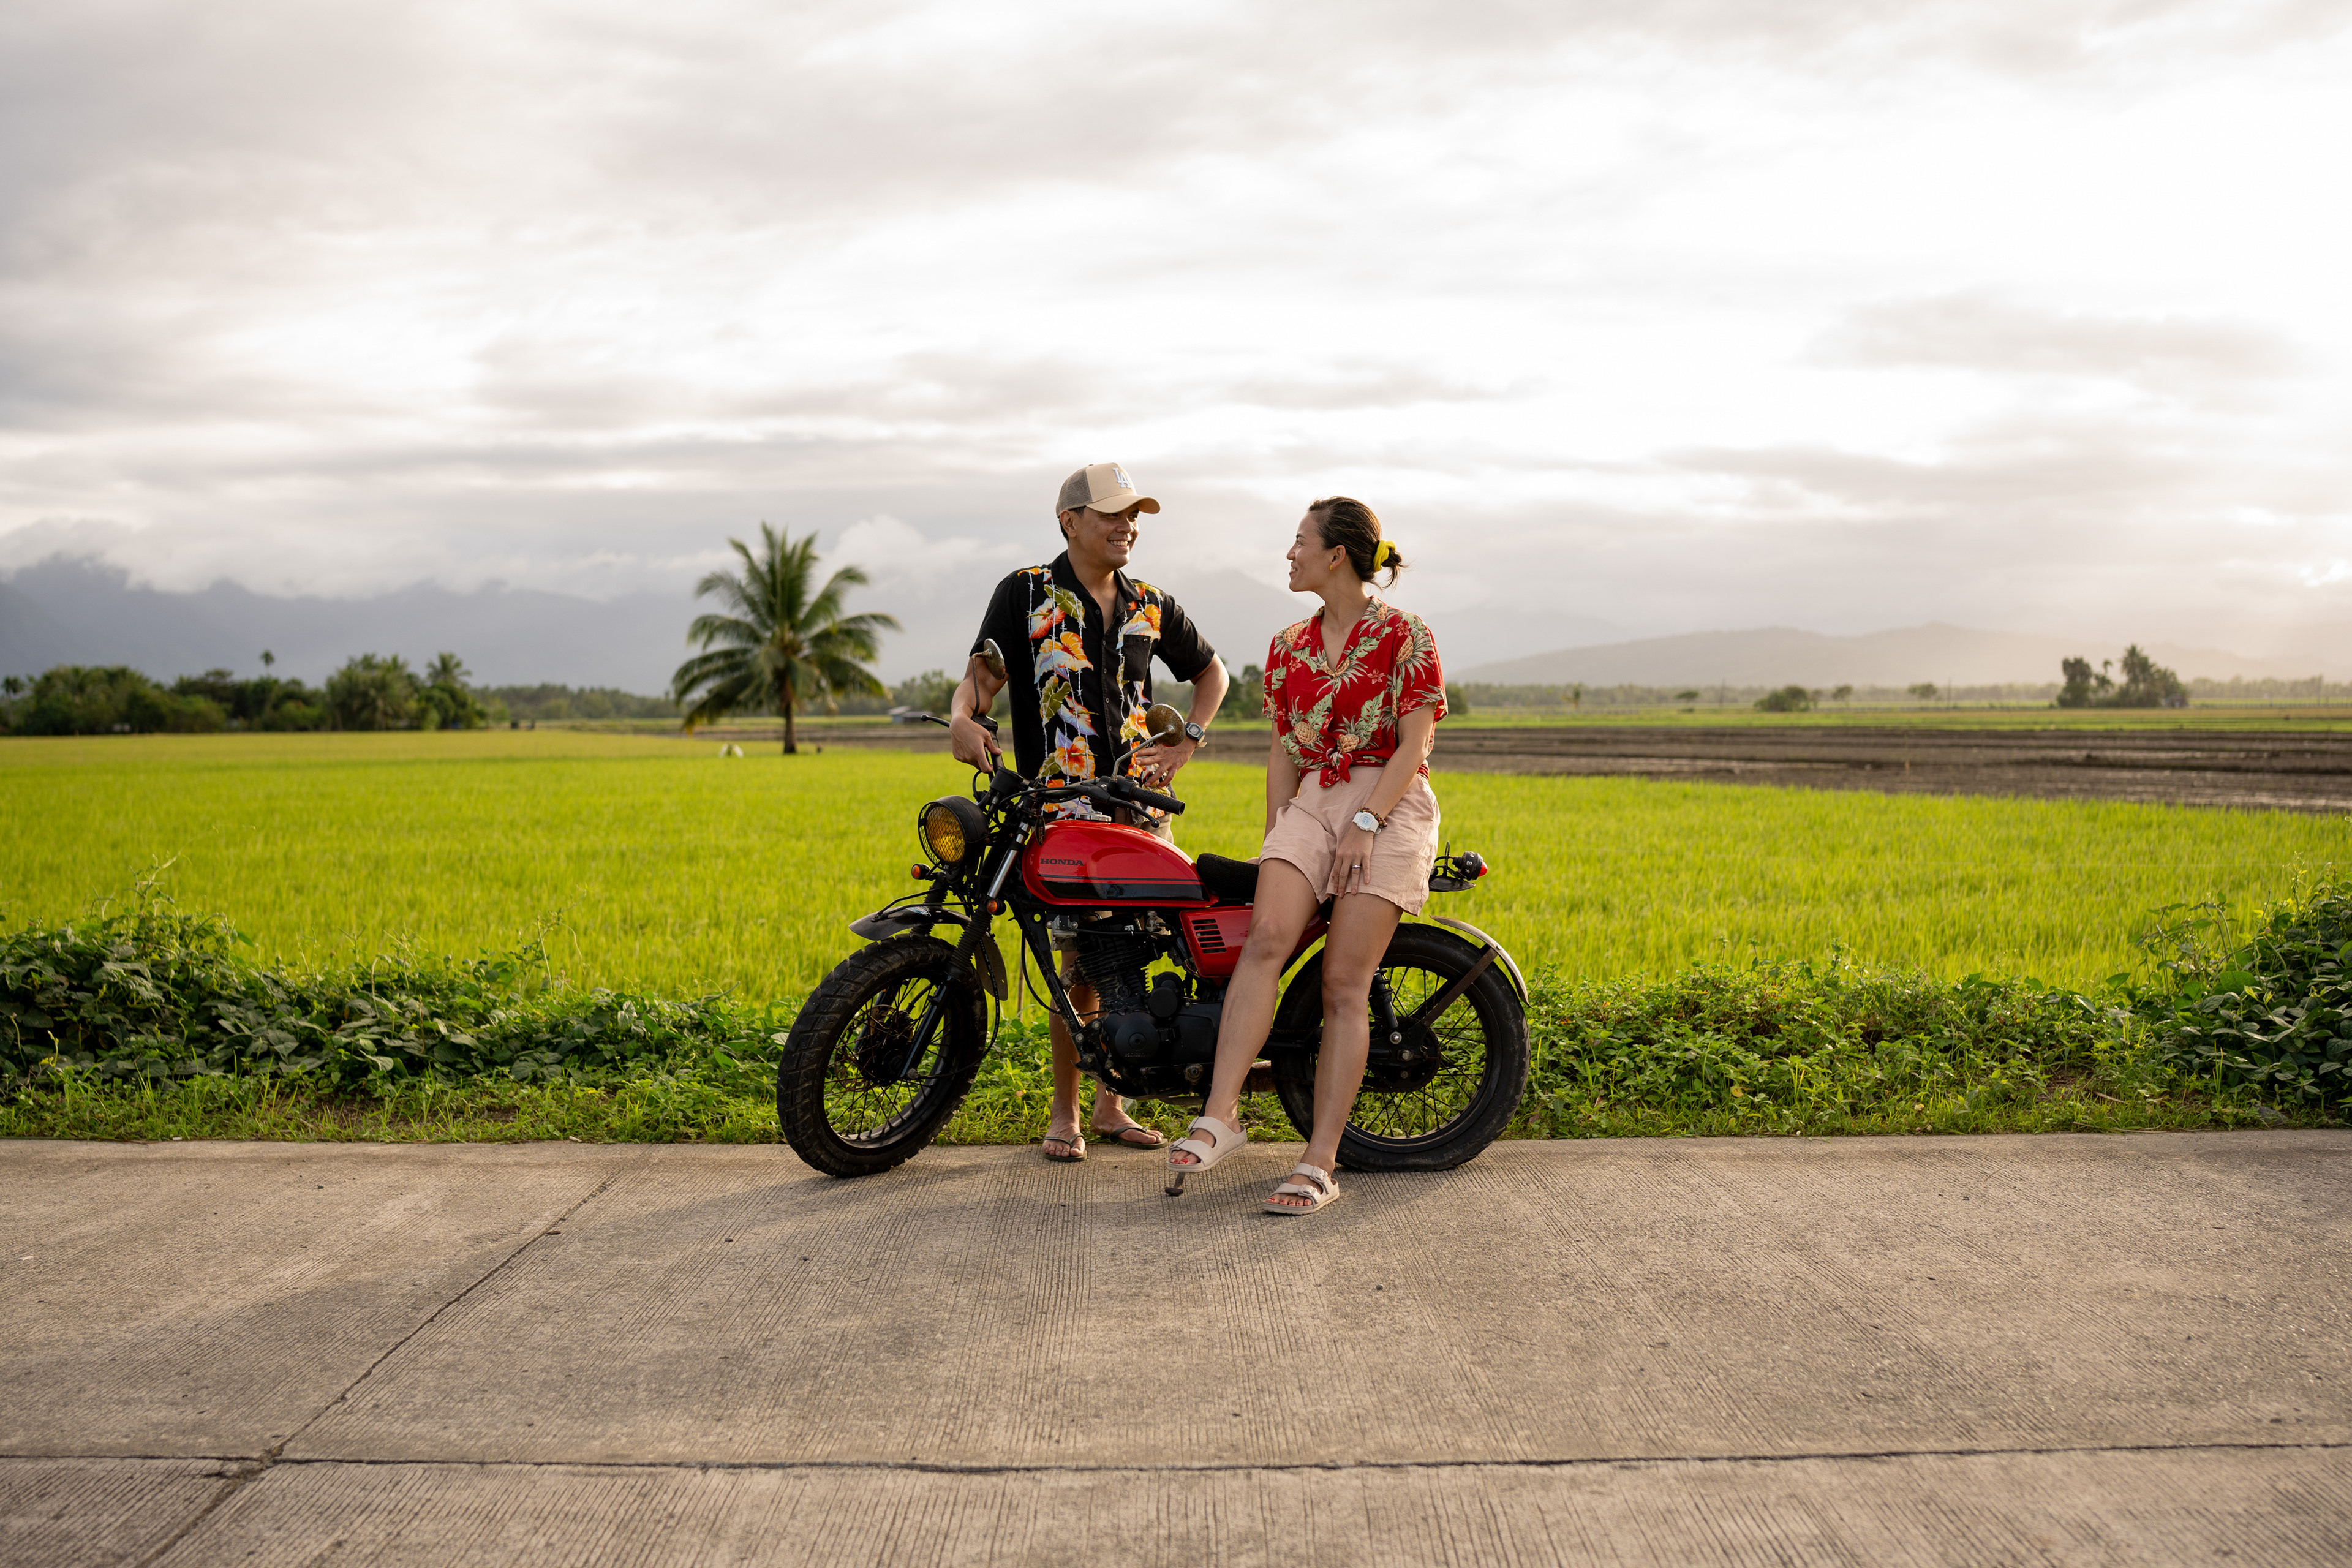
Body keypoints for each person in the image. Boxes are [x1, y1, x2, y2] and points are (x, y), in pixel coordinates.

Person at [1166, 496, 1446, 1215]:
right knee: (1265, 938)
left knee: (1343, 981)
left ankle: (1321, 1160)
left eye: (1299, 542)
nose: (1289, 554)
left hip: (1389, 802)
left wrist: (1366, 821)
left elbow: (1414, 743)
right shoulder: (1289, 644)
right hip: (1313, 802)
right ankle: (1221, 1115)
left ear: (1337, 555)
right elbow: (1283, 751)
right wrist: (1277, 838)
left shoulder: (1406, 634)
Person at [947, 462, 1231, 1161]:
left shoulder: (1151, 604)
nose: (1126, 525)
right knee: (1076, 962)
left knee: (1136, 952)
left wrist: (1188, 741)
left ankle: (1115, 1105)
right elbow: (982, 678)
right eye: (1112, 513)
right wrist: (961, 718)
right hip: (1062, 810)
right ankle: (1067, 1112)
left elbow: (1212, 673)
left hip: (1139, 812)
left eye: (1133, 514)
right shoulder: (1026, 593)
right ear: (1069, 521)